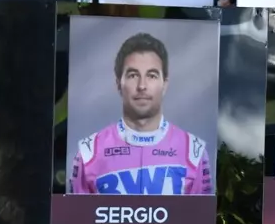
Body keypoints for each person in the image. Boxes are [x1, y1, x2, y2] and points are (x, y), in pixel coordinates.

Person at [70, 32, 213, 194]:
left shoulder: (193, 151)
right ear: (118, 83)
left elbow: (200, 218)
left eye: (151, 76)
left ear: (164, 84)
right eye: (133, 75)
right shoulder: (89, 152)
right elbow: (77, 218)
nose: (142, 86)